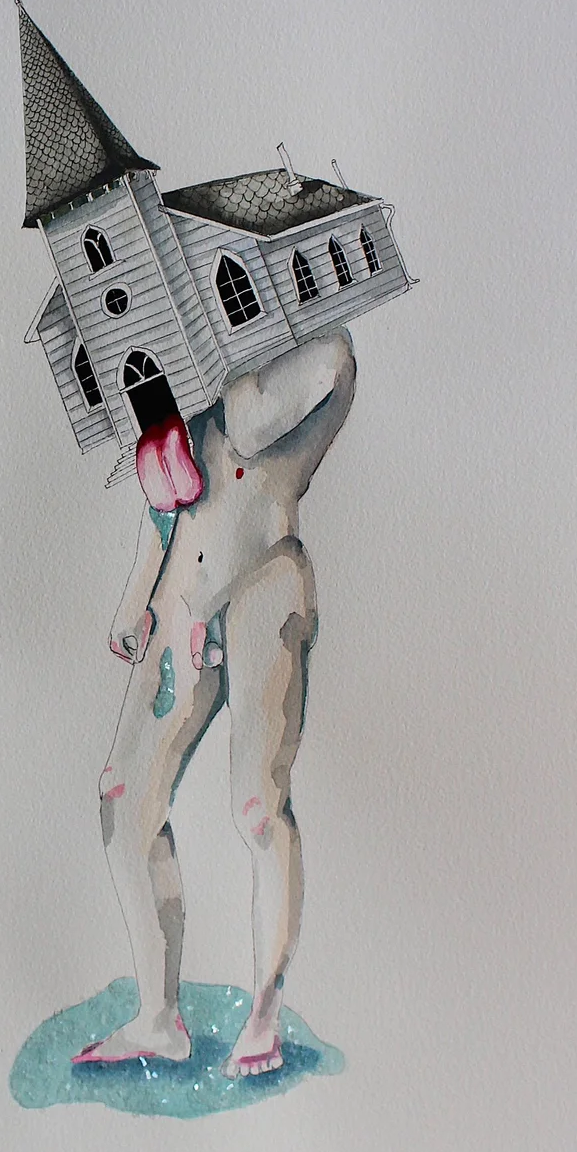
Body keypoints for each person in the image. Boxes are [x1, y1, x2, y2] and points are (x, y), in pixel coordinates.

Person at [80, 331, 356, 1077]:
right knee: (123, 797)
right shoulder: (172, 401)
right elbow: (165, 514)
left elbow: (327, 369)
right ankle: (157, 1016)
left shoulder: (293, 365)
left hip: (264, 582)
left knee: (257, 808)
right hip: (182, 601)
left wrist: (230, 391)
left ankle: (262, 1014)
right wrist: (136, 600)